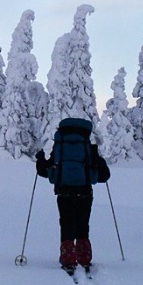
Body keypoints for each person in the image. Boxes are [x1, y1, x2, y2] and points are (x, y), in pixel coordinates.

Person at [35, 118, 110, 275]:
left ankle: (68, 259)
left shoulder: (60, 147)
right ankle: (84, 258)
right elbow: (104, 176)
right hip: (85, 193)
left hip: (64, 193)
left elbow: (44, 171)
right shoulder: (88, 148)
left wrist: (40, 158)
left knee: (66, 225)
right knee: (83, 225)